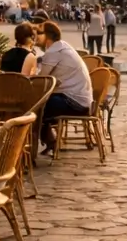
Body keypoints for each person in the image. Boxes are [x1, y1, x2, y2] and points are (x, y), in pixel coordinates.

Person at [33, 21, 93, 153]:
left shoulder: (55, 51)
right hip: (80, 100)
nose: (36, 37)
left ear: (47, 36)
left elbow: (41, 80)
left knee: (36, 107)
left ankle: (44, 144)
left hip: (74, 103)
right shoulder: (62, 47)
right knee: (40, 105)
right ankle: (49, 140)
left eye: (39, 34)